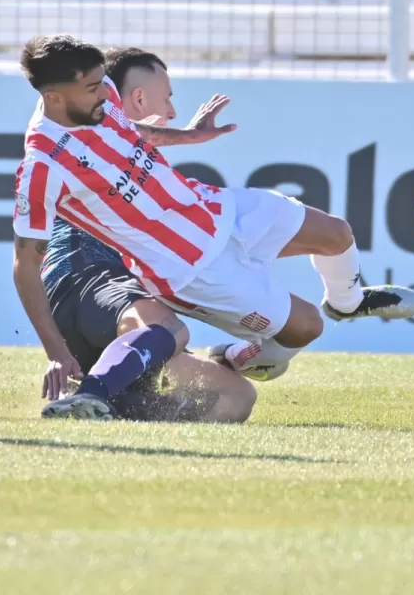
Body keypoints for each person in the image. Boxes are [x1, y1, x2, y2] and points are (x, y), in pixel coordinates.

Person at [11, 35, 414, 420]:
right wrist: (55, 351)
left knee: (335, 232)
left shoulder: (99, 99)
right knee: (306, 326)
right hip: (190, 265)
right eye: (93, 88)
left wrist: (188, 136)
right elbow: (25, 266)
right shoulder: (43, 166)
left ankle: (348, 302)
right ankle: (235, 357)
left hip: (214, 207)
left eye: (104, 82)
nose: (106, 92)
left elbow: (131, 131)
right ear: (54, 97)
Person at [43, 47, 256, 422]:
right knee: (166, 327)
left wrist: (185, 136)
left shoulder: (121, 148)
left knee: (236, 396)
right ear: (137, 97)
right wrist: (188, 136)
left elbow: (134, 139)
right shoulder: (84, 137)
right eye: (168, 96)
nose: (172, 110)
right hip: (87, 275)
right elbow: (124, 135)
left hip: (109, 303)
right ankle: (92, 393)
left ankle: (105, 405)